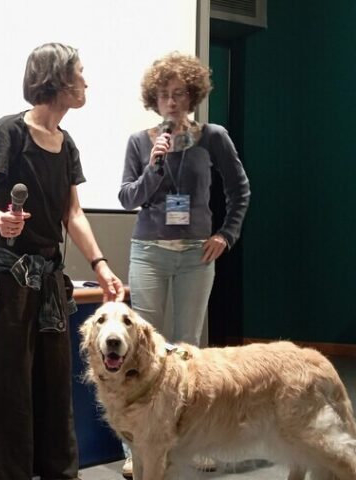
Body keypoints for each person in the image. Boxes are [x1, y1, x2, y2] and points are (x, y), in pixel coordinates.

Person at [0, 43, 125, 480]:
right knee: (8, 395)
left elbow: (73, 214)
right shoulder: (8, 132)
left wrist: (101, 264)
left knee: (54, 391)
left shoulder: (66, 145)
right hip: (6, 280)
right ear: (58, 79)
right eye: (80, 72)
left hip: (48, 281)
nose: (86, 81)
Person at [117, 51, 250, 477]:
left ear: (192, 96)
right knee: (142, 350)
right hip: (149, 252)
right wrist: (156, 163)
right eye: (163, 96)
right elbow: (128, 198)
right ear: (153, 100)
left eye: (179, 95)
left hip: (196, 254)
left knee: (189, 349)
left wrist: (226, 234)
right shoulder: (141, 142)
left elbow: (239, 189)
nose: (171, 103)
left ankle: (193, 439)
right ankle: (135, 446)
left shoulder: (214, 137)